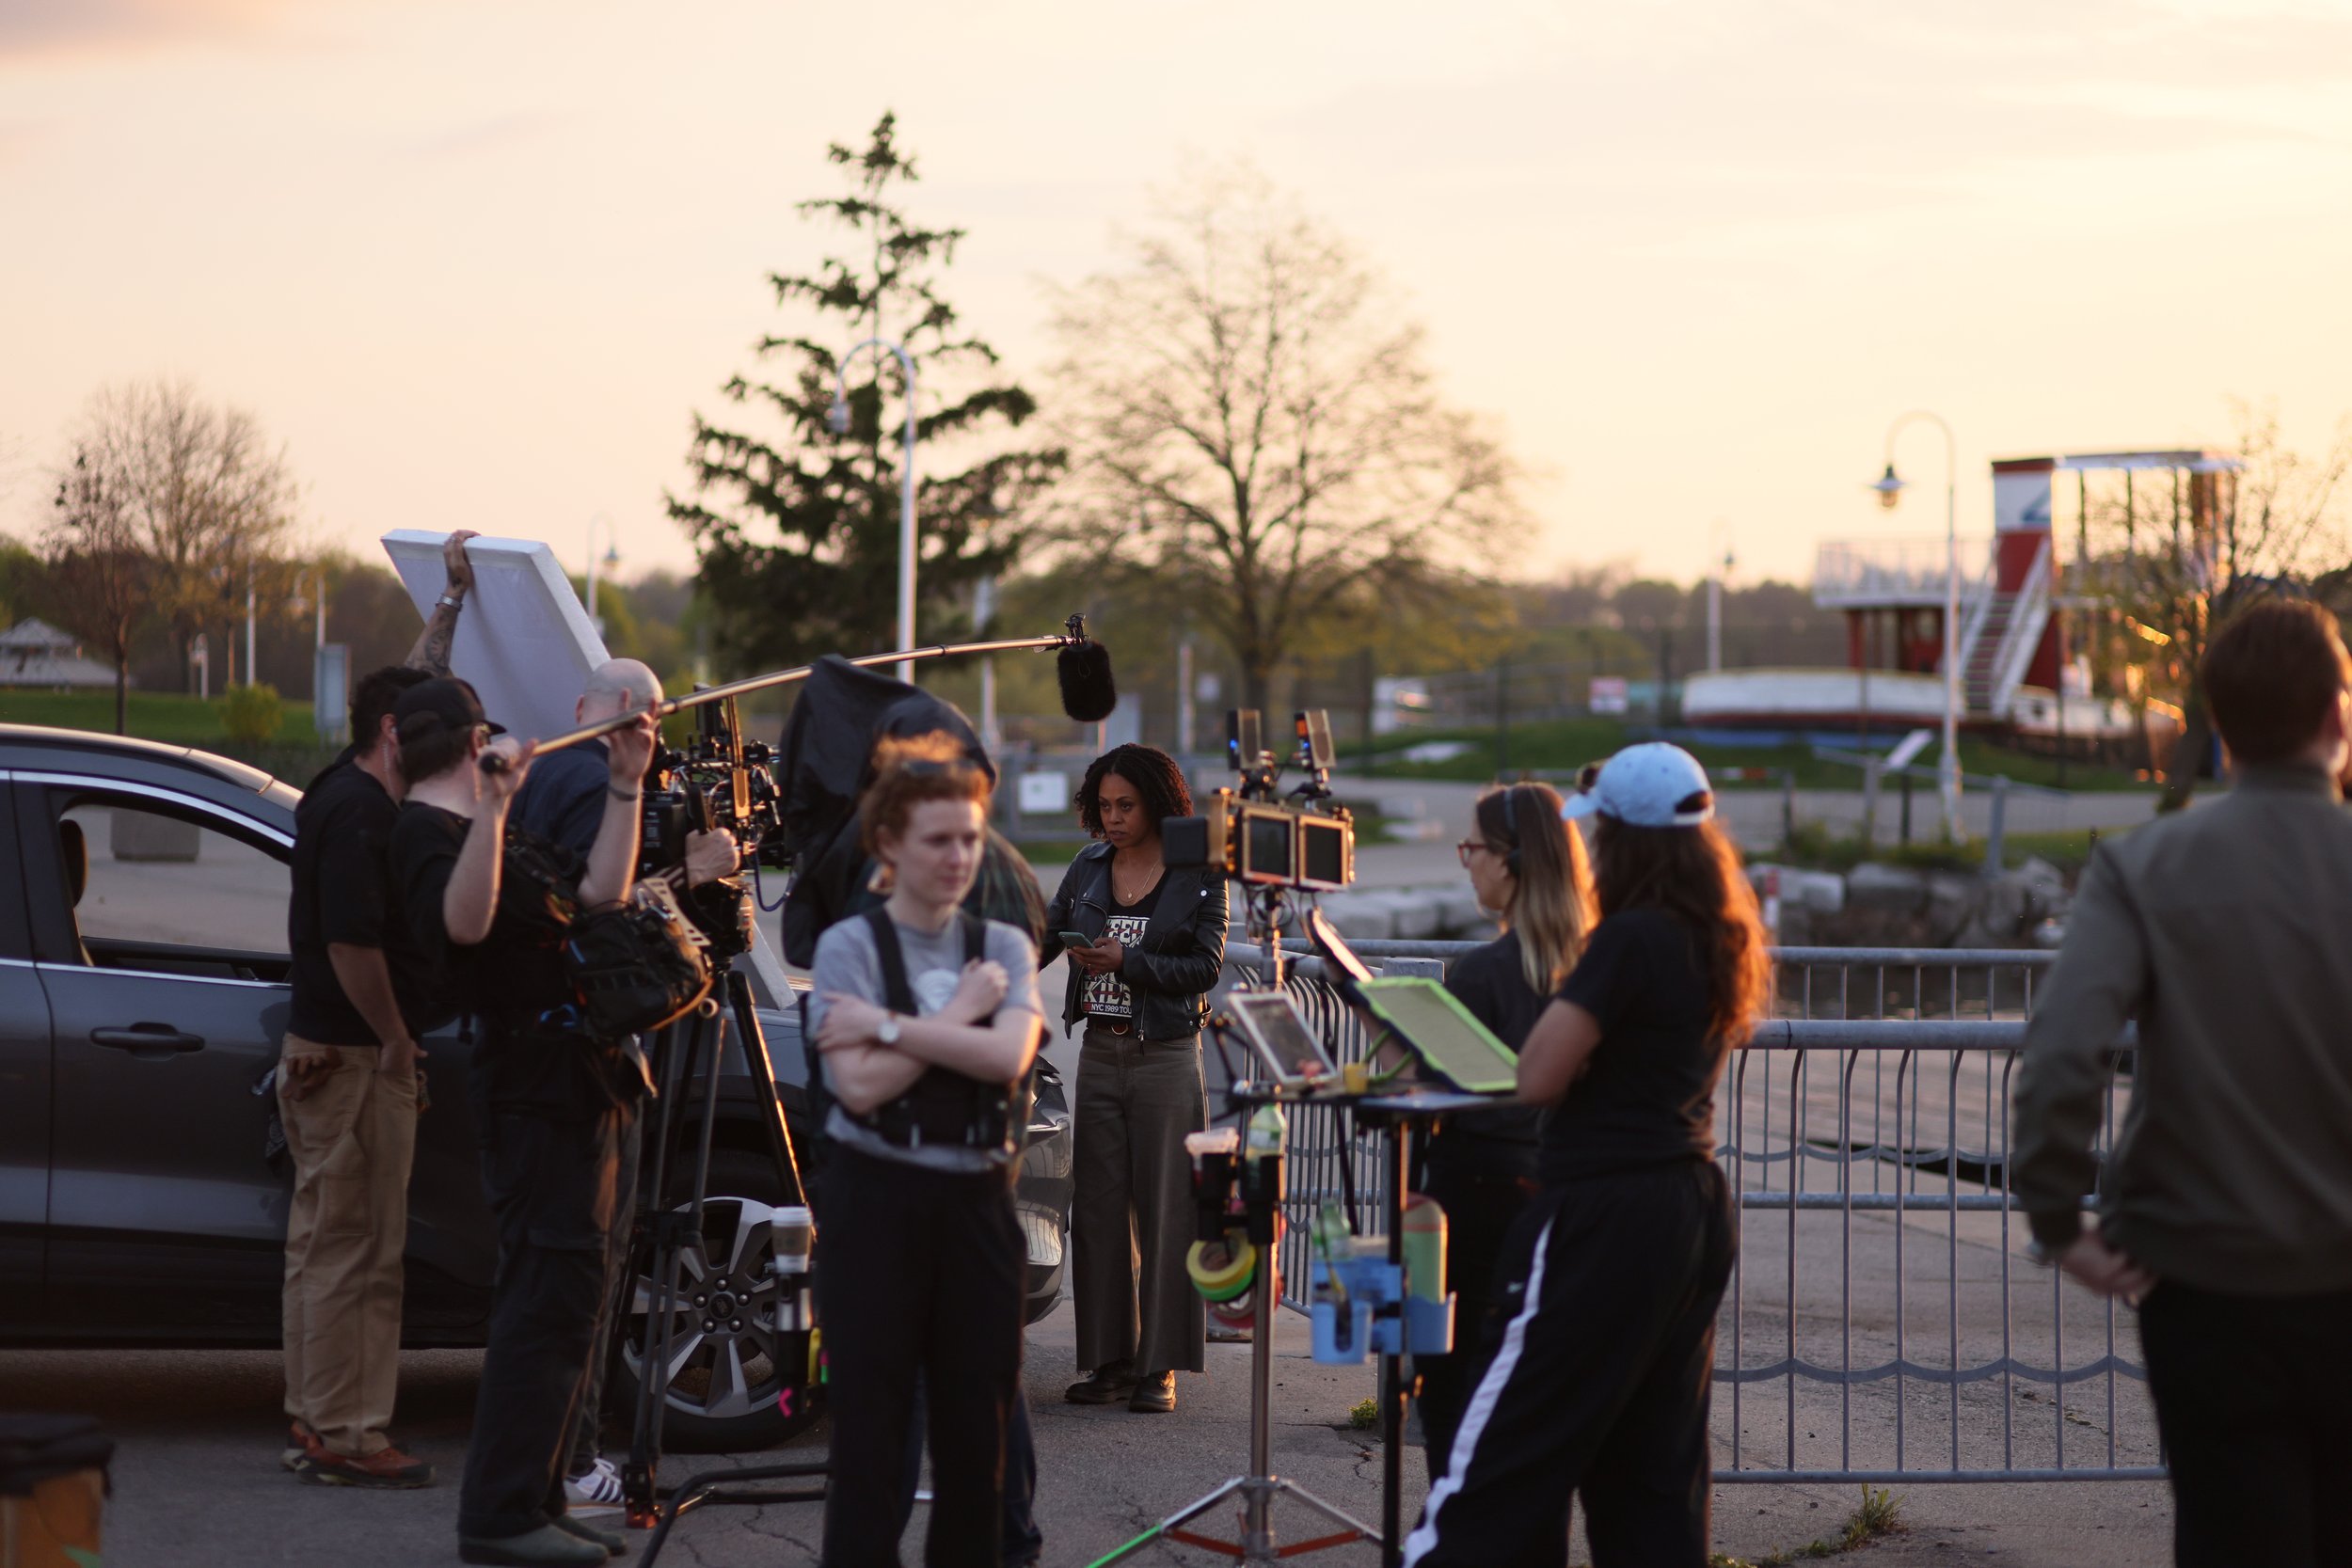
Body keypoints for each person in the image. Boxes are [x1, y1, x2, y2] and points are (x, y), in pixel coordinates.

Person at [2013, 599, 2352, 1568]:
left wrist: (2056, 1217)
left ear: (2216, 724)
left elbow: (2061, 1055)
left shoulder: (2142, 865)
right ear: (2337, 715)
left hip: (2203, 1280)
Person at [1405, 743, 1768, 1568]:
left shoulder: (1629, 938)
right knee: (1652, 1476)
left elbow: (1538, 1073)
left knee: (1496, 1456)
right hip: (1694, 1201)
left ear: (1620, 835)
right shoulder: (1720, 933)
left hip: (1604, 1209)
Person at [389, 677, 660, 1568]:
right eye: (489, 741)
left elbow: (598, 895)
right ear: (471, 748)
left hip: (580, 1085)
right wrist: (499, 806)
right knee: (543, 1303)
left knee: (573, 1299)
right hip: (532, 1095)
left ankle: (541, 1493)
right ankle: (501, 1513)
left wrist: (625, 785)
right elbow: (462, 927)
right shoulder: (431, 837)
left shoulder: (482, 830)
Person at [807, 734, 1044, 1568]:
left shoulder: (1003, 949)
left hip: (977, 1209)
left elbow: (1007, 1058)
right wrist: (958, 1017)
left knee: (977, 1456)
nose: (958, 857)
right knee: (870, 1452)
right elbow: (861, 1091)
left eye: (971, 838)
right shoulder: (849, 947)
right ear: (889, 845)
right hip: (875, 1205)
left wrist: (885, 1025)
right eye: (939, 840)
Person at [508, 657, 738, 1518]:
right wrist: (696, 873)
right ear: (641, 722)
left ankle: (551, 1467)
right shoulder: (598, 784)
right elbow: (598, 916)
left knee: (546, 1278)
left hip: (534, 1062)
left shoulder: (534, 778)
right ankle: (572, 1467)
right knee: (584, 1275)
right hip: (578, 1065)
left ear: (582, 709)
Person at [276, 529, 476, 1488]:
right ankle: (354, 1433)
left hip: (327, 1057)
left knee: (323, 1249)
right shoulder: (362, 818)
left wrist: (448, 605)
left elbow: (407, 680)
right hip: (355, 1062)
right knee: (364, 1256)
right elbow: (355, 946)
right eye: (432, 732)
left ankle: (317, 1419)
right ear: (395, 735)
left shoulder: (336, 788)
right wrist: (400, 1041)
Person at [1414, 781, 1596, 1481]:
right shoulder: (1592, 962)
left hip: (1473, 1200)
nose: (1468, 862)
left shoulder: (1484, 970)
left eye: (1476, 847)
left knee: (1455, 1399)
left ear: (1514, 860)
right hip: (1561, 1197)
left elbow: (1450, 1088)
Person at [1042, 744, 1229, 1416]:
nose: (1113, 818)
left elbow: (1206, 966)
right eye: (1104, 806)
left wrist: (1130, 960)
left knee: (1167, 1209)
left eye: (1126, 805)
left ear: (1158, 801)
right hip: (1099, 1050)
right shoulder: (1088, 867)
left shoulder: (1198, 870)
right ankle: (1111, 1361)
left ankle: (1161, 1366)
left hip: (1168, 1055)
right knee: (1096, 1212)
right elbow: (1040, 935)